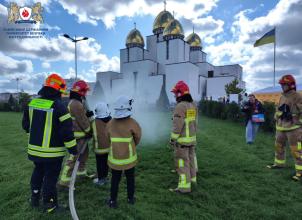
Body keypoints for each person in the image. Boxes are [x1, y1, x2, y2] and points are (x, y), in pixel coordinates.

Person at [22, 73, 77, 213]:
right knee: (50, 179)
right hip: (53, 153)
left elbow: (26, 125)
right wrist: (73, 150)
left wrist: (34, 138)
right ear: (58, 90)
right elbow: (67, 133)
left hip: (34, 151)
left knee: (37, 173)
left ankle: (34, 198)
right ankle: (50, 205)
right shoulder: (60, 107)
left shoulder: (31, 104)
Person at [105, 96, 141, 208]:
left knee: (115, 180)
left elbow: (107, 138)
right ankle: (130, 199)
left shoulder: (110, 123)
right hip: (129, 158)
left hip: (115, 159)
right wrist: (132, 145)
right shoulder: (133, 122)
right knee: (130, 179)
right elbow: (138, 137)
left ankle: (112, 201)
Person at [267, 74, 302, 181]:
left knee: (296, 150)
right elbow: (277, 110)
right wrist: (277, 115)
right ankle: (279, 164)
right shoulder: (282, 96)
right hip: (281, 128)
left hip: (293, 129)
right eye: (282, 84)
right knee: (278, 147)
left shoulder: (298, 96)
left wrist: (292, 115)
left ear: (291, 85)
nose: (282, 86)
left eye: (284, 84)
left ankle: (300, 172)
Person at [58, 80, 92, 187]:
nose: (86, 94)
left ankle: (80, 173)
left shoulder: (75, 102)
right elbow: (83, 121)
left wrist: (87, 113)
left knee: (84, 155)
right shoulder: (76, 104)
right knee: (74, 158)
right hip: (78, 136)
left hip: (79, 135)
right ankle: (64, 181)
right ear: (81, 92)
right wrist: (89, 131)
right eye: (85, 91)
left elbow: (80, 116)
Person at [169, 81, 198, 193]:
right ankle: (192, 180)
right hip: (191, 139)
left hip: (182, 141)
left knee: (182, 163)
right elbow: (195, 123)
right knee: (190, 161)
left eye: (176, 93)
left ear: (180, 94)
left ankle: (183, 188)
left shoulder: (180, 106)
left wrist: (173, 138)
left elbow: (177, 125)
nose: (174, 95)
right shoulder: (193, 105)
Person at [93, 102, 112, 186]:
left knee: (100, 164)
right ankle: (105, 177)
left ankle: (101, 180)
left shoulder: (94, 122)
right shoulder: (111, 121)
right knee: (106, 163)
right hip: (109, 147)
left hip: (99, 149)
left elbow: (89, 131)